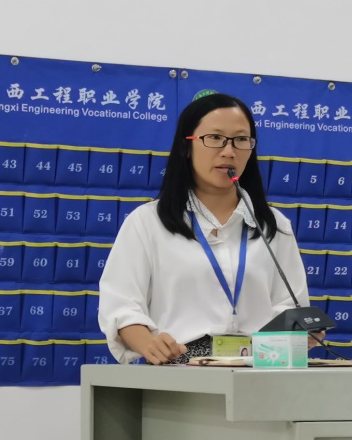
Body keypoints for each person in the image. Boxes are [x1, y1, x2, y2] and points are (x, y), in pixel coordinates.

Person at [98, 93, 322, 365]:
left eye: (241, 140)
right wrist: (148, 344)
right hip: (180, 368)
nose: (229, 151)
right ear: (186, 146)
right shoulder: (147, 222)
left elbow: (290, 306)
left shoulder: (273, 226)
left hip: (260, 368)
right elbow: (121, 305)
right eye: (215, 138)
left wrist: (300, 333)